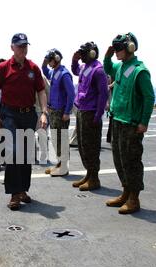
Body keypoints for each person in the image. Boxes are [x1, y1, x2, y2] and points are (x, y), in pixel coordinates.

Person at [0, 33, 48, 210]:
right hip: (10, 115)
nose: (23, 49)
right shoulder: (3, 67)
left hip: (29, 114)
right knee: (14, 152)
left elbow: (41, 91)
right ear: (12, 47)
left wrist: (44, 112)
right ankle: (14, 194)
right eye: (19, 46)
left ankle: (23, 189)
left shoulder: (33, 68)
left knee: (27, 154)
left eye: (25, 46)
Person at [104, 33, 155, 214]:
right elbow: (108, 68)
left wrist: (144, 122)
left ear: (131, 48)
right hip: (117, 119)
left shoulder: (140, 71)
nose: (117, 51)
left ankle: (134, 198)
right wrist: (107, 55)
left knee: (131, 161)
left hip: (131, 123)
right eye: (116, 48)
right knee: (119, 159)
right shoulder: (121, 67)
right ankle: (125, 192)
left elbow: (149, 97)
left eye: (119, 48)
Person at [70, 42, 109, 189]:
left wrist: (98, 115)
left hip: (91, 112)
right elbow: (75, 71)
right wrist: (74, 60)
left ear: (92, 54)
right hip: (82, 110)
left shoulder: (98, 70)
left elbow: (103, 94)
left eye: (84, 53)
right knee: (83, 145)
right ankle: (89, 174)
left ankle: (94, 178)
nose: (82, 56)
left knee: (91, 147)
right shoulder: (85, 67)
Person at [41, 48, 75, 176]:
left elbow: (71, 94)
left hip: (61, 112)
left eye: (50, 60)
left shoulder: (64, 74)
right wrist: (44, 62)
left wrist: (67, 112)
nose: (49, 63)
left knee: (62, 139)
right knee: (56, 139)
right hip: (54, 111)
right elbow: (44, 71)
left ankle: (64, 167)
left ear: (56, 59)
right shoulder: (55, 72)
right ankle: (60, 164)